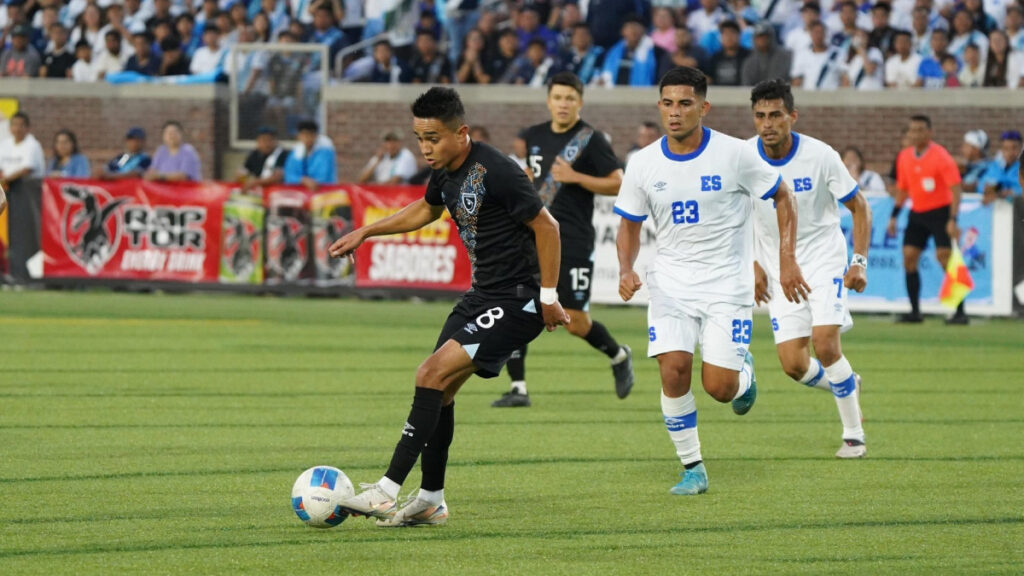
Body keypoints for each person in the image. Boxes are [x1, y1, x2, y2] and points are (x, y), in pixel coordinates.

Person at [328, 86, 569, 526]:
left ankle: (385, 491)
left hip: (518, 300)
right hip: (481, 296)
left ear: (461, 133)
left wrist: (549, 298)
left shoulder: (498, 169)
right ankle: (432, 499)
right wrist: (367, 231)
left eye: (433, 138)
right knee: (438, 391)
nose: (425, 148)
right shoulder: (444, 170)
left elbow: (547, 226)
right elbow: (427, 209)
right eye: (420, 138)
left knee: (429, 373)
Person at [615, 67, 804, 495]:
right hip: (670, 286)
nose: (675, 112)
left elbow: (782, 195)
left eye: (685, 103)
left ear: (704, 106)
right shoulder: (643, 163)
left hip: (726, 287)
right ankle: (693, 467)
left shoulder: (736, 154)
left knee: (720, 389)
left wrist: (785, 260)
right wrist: (627, 269)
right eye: (667, 103)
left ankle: (744, 375)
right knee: (674, 369)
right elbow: (629, 224)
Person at [492, 71, 633, 408]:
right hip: (535, 234)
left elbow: (618, 182)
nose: (563, 104)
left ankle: (618, 355)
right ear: (548, 100)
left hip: (574, 239)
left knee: (574, 320)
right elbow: (534, 175)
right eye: (558, 97)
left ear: (580, 102)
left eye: (570, 98)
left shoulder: (590, 139)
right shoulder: (535, 135)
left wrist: (575, 177)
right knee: (518, 304)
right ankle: (519, 389)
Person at [748, 79, 870, 459]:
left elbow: (860, 207)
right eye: (760, 116)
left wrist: (858, 261)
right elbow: (736, 215)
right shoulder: (743, 159)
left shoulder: (821, 156)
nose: (767, 123)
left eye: (775, 115)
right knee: (793, 365)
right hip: (777, 266)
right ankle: (846, 381)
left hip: (822, 260)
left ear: (792, 116)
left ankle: (854, 436)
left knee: (825, 342)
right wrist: (753, 263)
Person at [889, 115, 966, 324]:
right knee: (909, 257)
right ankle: (915, 311)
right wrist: (894, 216)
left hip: (940, 212)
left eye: (920, 130)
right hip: (918, 212)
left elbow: (956, 189)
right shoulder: (904, 156)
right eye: (912, 130)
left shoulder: (941, 156)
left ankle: (960, 311)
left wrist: (953, 219)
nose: (916, 134)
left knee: (945, 257)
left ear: (929, 132)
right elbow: (903, 189)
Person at [283, 119, 337, 190]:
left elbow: (324, 176)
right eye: (304, 134)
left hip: (323, 192)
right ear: (299, 136)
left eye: (311, 134)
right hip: (299, 193)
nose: (308, 138)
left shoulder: (325, 152)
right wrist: (302, 180)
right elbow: (288, 175)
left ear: (316, 136)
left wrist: (309, 182)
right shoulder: (294, 154)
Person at [0, 112, 46, 190]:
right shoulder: (5, 144)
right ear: (10, 128)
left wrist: (5, 181)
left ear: (28, 128)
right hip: (7, 189)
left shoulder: (33, 144)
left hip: (28, 190)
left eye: (21, 125)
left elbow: (27, 170)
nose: (18, 128)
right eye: (15, 125)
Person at [742, 22, 793, 87]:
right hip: (755, 95)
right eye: (759, 36)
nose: (762, 40)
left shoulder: (785, 56)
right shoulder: (749, 60)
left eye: (765, 36)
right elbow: (746, 85)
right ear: (754, 39)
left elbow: (781, 81)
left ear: (771, 37)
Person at [238, 126, 288, 191]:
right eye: (264, 140)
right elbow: (244, 170)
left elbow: (277, 177)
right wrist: (241, 175)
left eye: (270, 140)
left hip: (277, 192)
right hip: (258, 193)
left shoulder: (281, 154)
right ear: (258, 141)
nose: (267, 144)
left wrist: (255, 182)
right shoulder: (255, 154)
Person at [979, 130, 1023, 204]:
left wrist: (1012, 192)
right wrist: (989, 189)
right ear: (1001, 150)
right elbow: (981, 185)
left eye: (1014, 148)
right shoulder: (994, 166)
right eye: (1006, 148)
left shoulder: (1022, 167)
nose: (1010, 152)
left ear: (1021, 148)